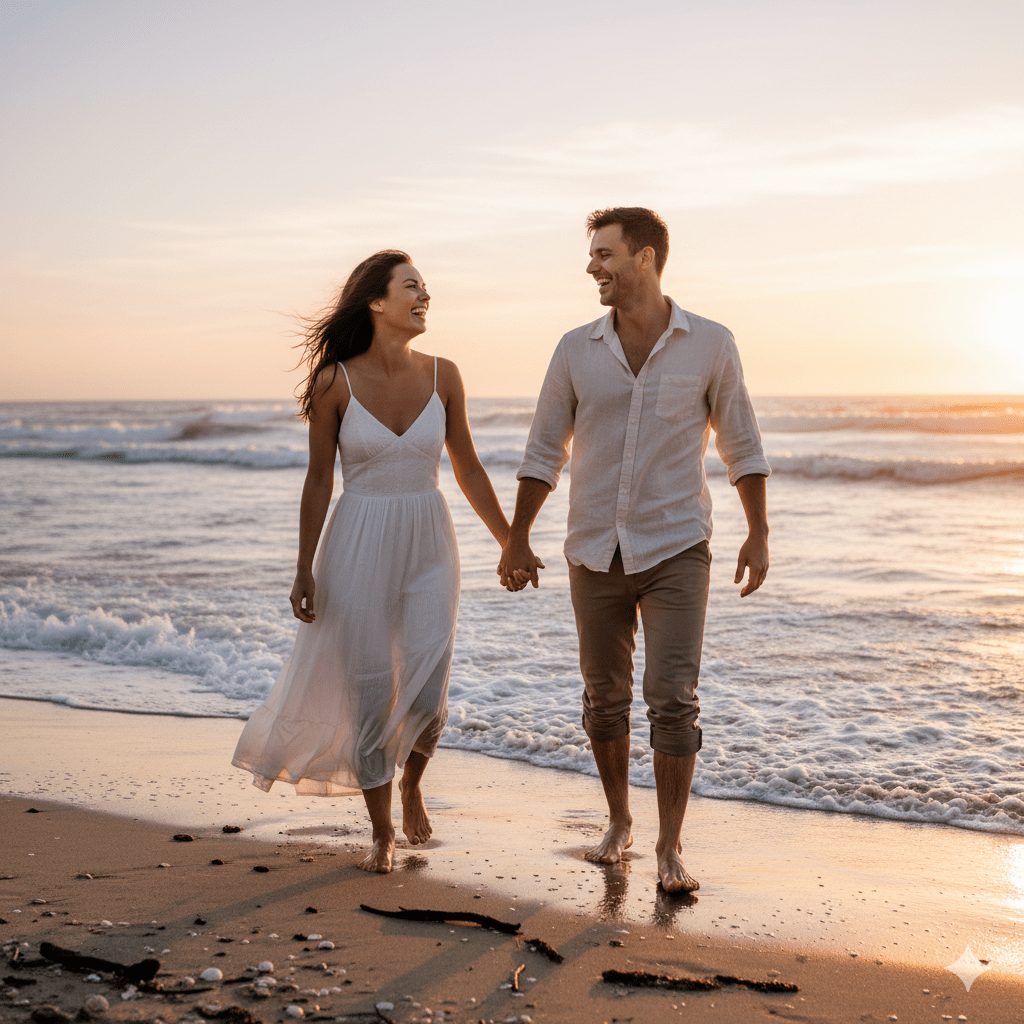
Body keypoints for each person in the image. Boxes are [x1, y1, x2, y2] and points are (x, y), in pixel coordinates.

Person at [499, 208, 771, 893]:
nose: (593, 266)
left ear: (645, 258)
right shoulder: (574, 349)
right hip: (593, 549)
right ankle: (619, 821)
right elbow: (542, 450)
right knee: (605, 697)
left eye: (604, 253)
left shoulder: (710, 344)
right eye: (592, 255)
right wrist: (518, 536)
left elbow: (741, 443)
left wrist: (758, 531)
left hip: (678, 544)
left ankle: (669, 846)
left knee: (673, 698)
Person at [232, 250, 510, 874]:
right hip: (356, 539)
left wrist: (509, 539)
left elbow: (466, 466)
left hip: (429, 539)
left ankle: (413, 780)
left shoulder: (446, 375)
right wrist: (303, 567)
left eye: (426, 287)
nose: (425, 296)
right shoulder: (336, 382)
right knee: (368, 689)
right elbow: (317, 482)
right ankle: (382, 830)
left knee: (428, 696)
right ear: (377, 303)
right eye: (412, 286)